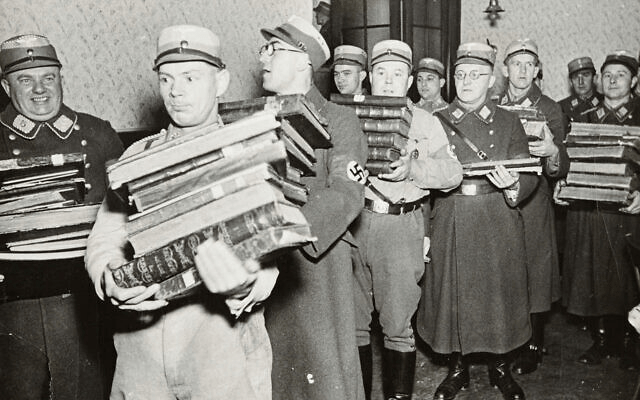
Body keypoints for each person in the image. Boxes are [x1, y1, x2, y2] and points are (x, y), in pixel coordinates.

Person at [85, 25, 279, 399]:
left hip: (219, 343)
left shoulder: (247, 153)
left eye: (190, 77)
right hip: (140, 348)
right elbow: (105, 238)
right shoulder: (137, 158)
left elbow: (272, 252)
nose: (175, 91)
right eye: (166, 78)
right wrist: (109, 277)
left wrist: (246, 283)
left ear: (221, 82)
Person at [0, 34, 123, 399]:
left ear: (60, 78)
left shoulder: (98, 133)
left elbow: (126, 212)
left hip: (89, 291)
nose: (40, 90)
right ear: (6, 86)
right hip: (17, 296)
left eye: (48, 77)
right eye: (25, 79)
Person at [417, 42, 539, 400]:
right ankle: (457, 369)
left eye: (476, 74)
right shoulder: (435, 120)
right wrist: (423, 231)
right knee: (453, 296)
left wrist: (514, 184)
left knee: (498, 297)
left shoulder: (508, 121)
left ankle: (500, 368)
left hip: (496, 217)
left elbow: (529, 172)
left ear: (490, 80)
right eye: (461, 75)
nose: (467, 81)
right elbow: (421, 179)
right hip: (451, 215)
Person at [258, 16, 368, 400]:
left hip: (314, 261)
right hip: (257, 255)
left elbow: (348, 191)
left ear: (304, 61)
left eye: (274, 49)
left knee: (322, 371)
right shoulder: (253, 118)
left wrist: (290, 226)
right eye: (264, 49)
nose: (263, 58)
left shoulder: (339, 120)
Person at [351, 39, 462, 400]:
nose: (388, 81)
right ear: (369, 76)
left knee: (397, 325)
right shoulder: (350, 115)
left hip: (400, 227)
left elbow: (453, 173)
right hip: (354, 225)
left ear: (410, 81)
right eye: (381, 72)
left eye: (397, 74)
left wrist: (413, 169)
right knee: (353, 323)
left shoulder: (426, 122)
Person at [556, 50, 640, 370]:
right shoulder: (585, 116)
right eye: (607, 75)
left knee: (627, 278)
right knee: (593, 274)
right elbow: (570, 160)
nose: (613, 80)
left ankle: (631, 342)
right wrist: (563, 184)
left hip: (628, 211)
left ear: (634, 80)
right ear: (600, 81)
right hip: (591, 209)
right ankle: (602, 339)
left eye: (621, 75)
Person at [496, 38, 569, 375]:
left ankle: (533, 343)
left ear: (537, 70)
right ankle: (506, 340)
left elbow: (559, 164)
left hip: (535, 200)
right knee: (503, 270)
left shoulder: (549, 107)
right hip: (497, 198)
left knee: (535, 272)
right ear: (505, 69)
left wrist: (553, 152)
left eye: (529, 65)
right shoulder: (491, 103)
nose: (523, 71)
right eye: (516, 64)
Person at [558, 56, 603, 123]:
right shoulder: (561, 108)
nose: (580, 82)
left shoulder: (605, 103)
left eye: (585, 75)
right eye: (575, 77)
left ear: (594, 78)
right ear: (570, 82)